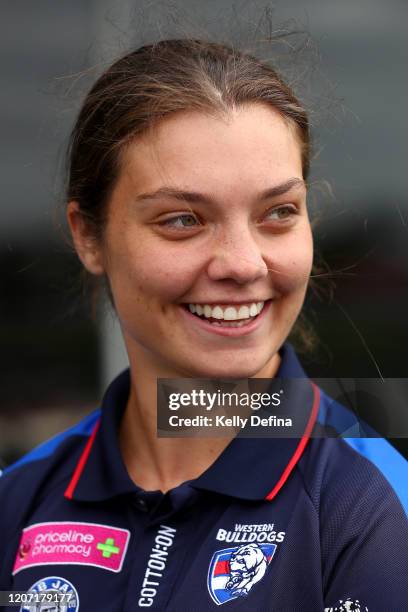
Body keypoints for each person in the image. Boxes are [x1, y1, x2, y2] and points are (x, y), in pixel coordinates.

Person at [0, 39, 407, 612]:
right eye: (183, 220)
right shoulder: (17, 502)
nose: (243, 264)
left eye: (278, 213)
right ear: (88, 235)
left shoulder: (374, 510)